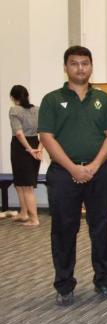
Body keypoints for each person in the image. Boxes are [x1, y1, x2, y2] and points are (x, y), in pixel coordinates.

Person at [38, 46, 107, 307]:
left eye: (85, 63)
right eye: (74, 63)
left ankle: (104, 281)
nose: (80, 68)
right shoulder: (52, 100)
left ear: (91, 66)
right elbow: (46, 137)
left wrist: (95, 165)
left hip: (99, 172)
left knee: (101, 228)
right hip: (63, 174)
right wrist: (73, 168)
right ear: (66, 67)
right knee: (63, 229)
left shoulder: (103, 99)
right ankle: (64, 285)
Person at [8, 85, 42, 226]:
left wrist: (29, 149)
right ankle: (23, 213)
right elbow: (45, 132)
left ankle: (34, 219)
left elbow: (19, 133)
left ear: (13, 98)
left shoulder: (14, 110)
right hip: (34, 144)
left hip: (21, 147)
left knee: (27, 185)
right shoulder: (37, 109)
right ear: (27, 96)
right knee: (20, 183)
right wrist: (38, 149)